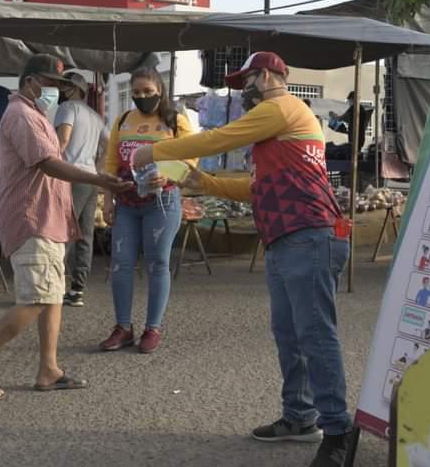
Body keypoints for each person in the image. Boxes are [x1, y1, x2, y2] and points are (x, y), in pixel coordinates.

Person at [133, 52, 353, 467]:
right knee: (290, 336)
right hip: (287, 238)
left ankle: (338, 431)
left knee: (315, 336)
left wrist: (156, 151)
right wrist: (204, 182)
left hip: (309, 235)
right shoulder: (272, 131)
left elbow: (218, 139)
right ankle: (300, 418)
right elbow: (258, 191)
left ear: (268, 75)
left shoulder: (283, 107)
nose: (242, 90)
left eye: (247, 80)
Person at [0, 54, 131, 401]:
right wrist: (100, 181)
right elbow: (49, 164)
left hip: (47, 217)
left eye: (61, 87)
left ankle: (48, 370)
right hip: (31, 218)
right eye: (51, 85)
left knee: (52, 296)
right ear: (30, 82)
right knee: (36, 298)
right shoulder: (21, 115)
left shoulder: (38, 115)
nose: (57, 92)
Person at [99, 67, 196, 355]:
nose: (142, 97)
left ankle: (152, 328)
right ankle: (122, 327)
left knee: (157, 264)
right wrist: (106, 199)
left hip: (162, 203)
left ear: (160, 91)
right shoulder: (123, 120)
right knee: (120, 265)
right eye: (137, 93)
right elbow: (110, 161)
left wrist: (168, 176)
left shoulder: (175, 120)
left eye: (148, 92)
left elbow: (191, 157)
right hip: (127, 202)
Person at [55, 72, 109, 307]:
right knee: (84, 234)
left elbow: (62, 141)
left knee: (61, 232)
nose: (59, 89)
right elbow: (109, 144)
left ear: (73, 89)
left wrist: (49, 164)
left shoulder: (67, 108)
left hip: (69, 176)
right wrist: (97, 169)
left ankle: (53, 286)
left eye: (63, 85)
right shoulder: (95, 116)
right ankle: (78, 289)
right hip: (89, 178)